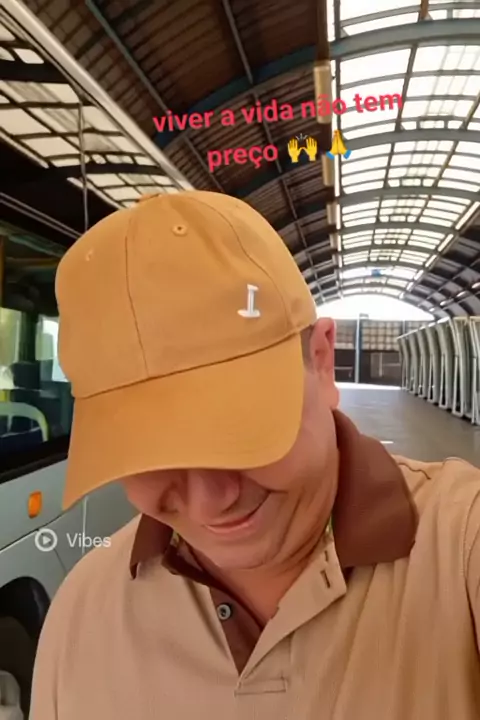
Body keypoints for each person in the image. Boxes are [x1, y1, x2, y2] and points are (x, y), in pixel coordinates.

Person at [30, 191, 480, 720]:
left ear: (321, 361)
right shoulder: (82, 613)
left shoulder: (460, 550)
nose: (210, 500)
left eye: (242, 426)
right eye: (147, 447)